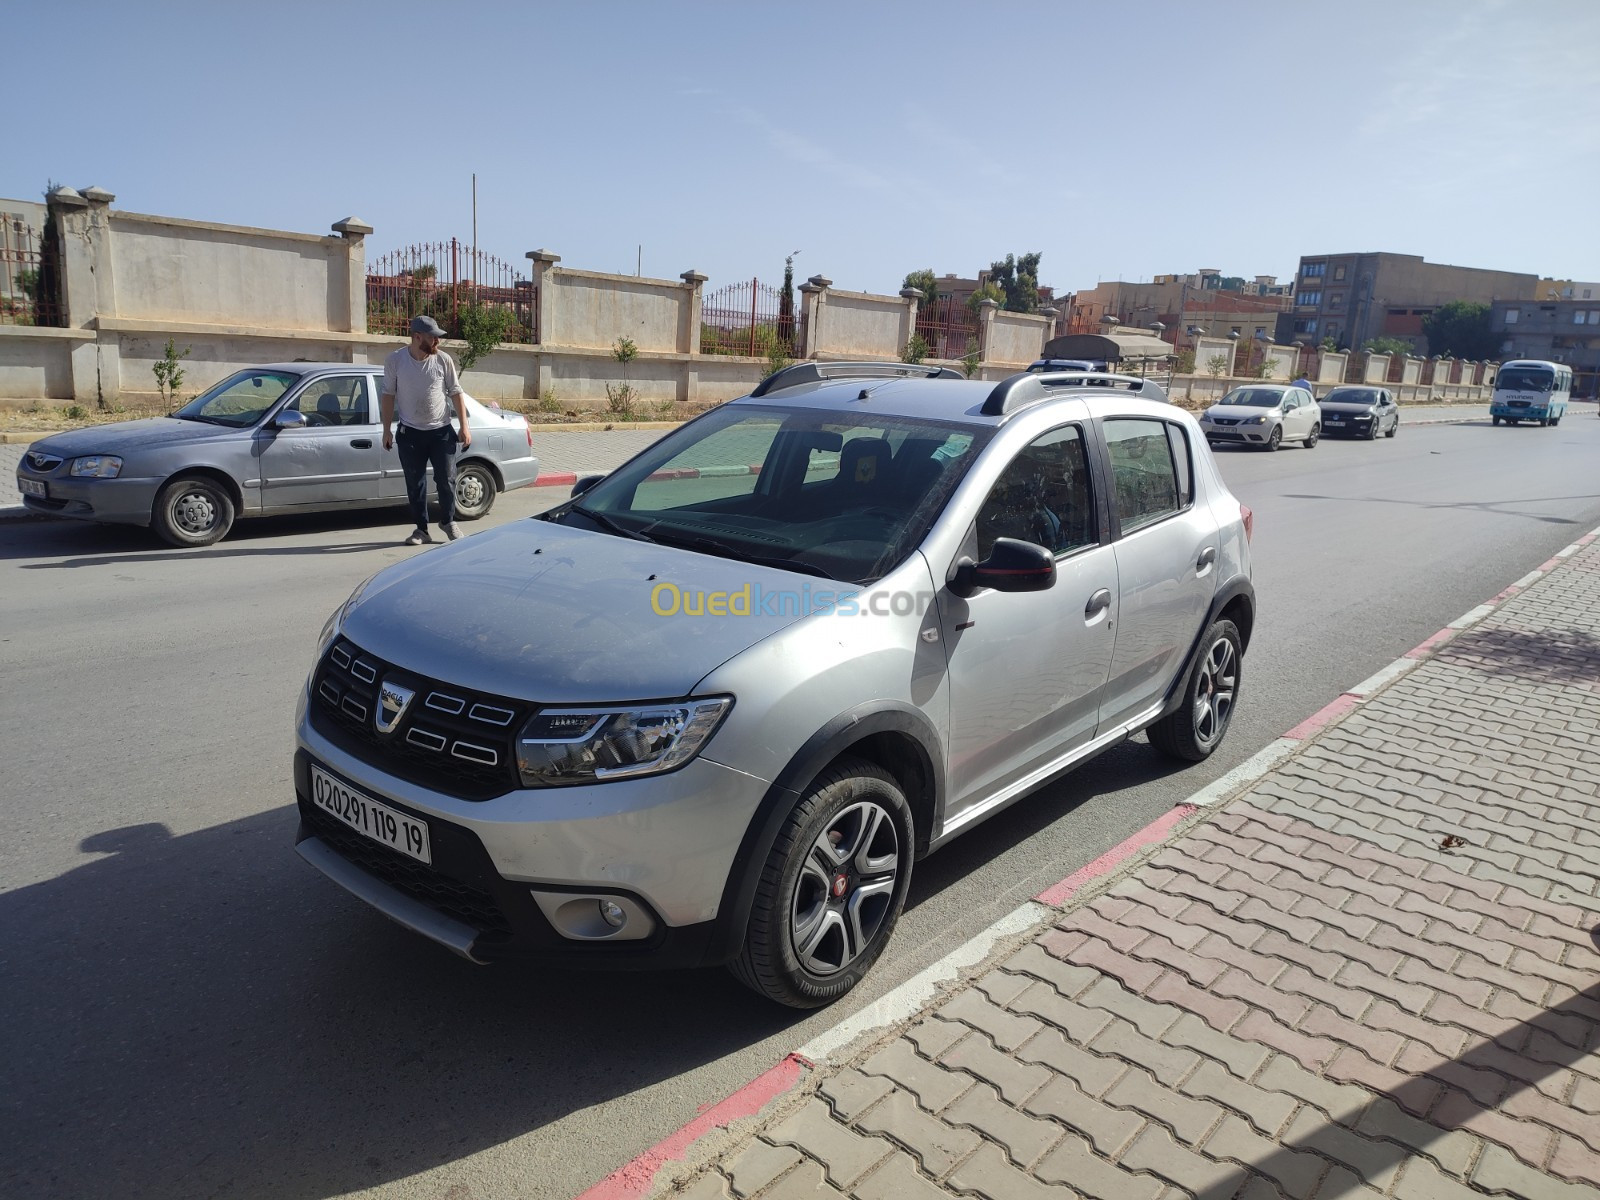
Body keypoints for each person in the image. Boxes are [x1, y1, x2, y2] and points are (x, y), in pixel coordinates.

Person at [381, 315, 472, 545]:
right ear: (417, 337)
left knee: (447, 480)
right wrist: (386, 430)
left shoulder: (443, 360)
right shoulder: (395, 361)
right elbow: (388, 395)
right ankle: (421, 529)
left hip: (441, 432)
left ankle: (448, 521)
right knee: (415, 483)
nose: (437, 343)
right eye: (433, 338)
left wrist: (464, 426)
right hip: (410, 433)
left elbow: (456, 392)